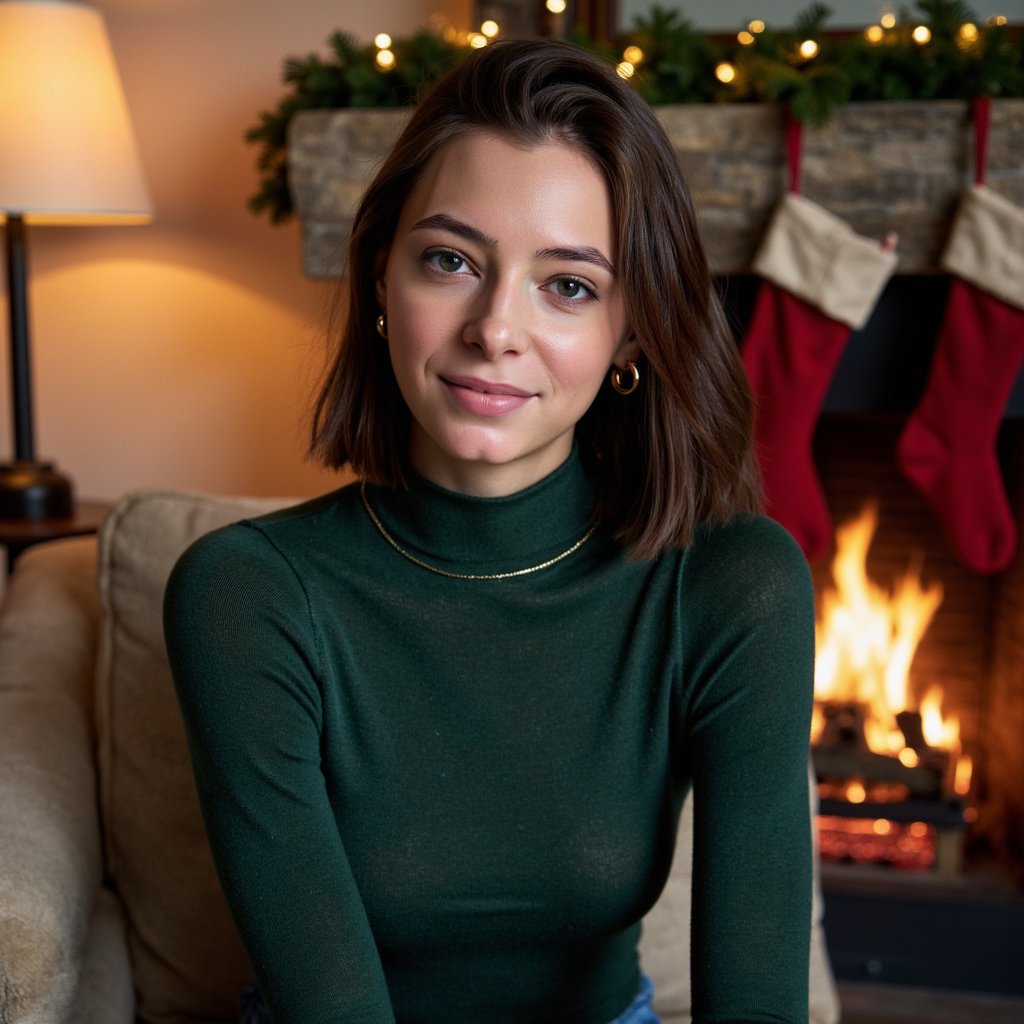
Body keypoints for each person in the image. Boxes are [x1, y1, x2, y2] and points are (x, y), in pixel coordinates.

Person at [164, 38, 814, 1024]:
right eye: (450, 260)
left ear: (628, 333)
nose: (494, 328)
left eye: (568, 285)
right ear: (382, 278)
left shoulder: (733, 584)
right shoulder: (246, 593)